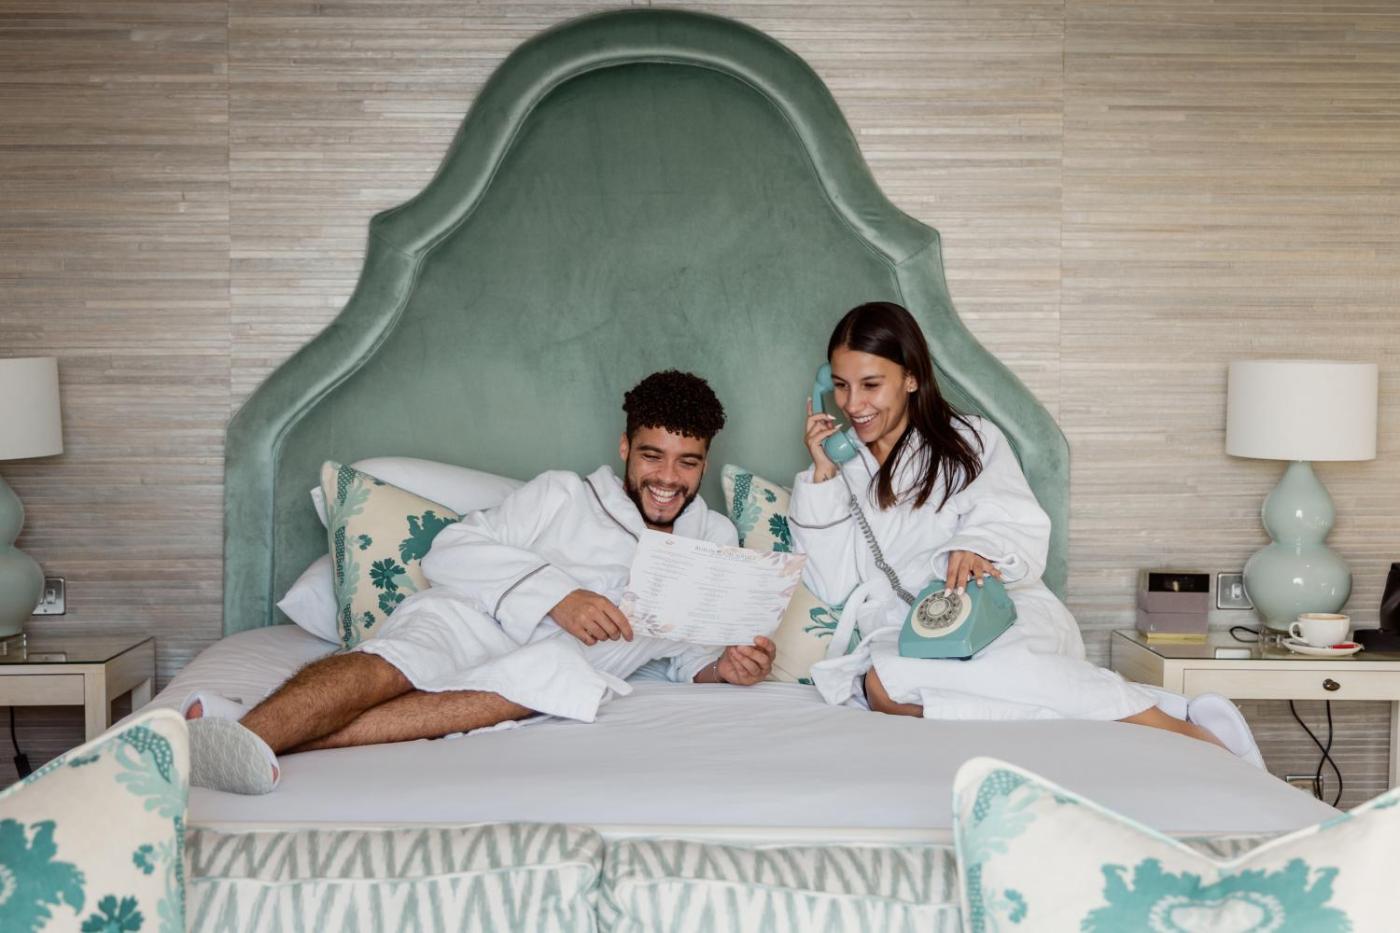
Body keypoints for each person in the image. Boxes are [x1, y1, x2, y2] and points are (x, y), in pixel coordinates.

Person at [188, 370, 776, 794]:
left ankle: (239, 732)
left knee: (530, 689)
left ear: (704, 461)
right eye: (652, 456)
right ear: (625, 447)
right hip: (470, 621)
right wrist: (559, 596)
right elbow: (449, 550)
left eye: (687, 462)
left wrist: (724, 668)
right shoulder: (562, 493)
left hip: (550, 671)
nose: (667, 478)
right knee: (394, 664)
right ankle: (236, 741)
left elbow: (681, 654)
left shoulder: (714, 540)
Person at [791, 301, 1263, 765]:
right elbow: (831, 584)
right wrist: (824, 476)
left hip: (995, 613)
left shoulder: (970, 440)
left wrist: (974, 547)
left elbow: (1011, 518)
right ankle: (1134, 714)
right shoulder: (841, 468)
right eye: (841, 386)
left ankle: (1188, 733)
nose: (853, 404)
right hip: (908, 632)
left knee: (1009, 665)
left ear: (910, 378)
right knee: (882, 686)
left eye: (871, 385)